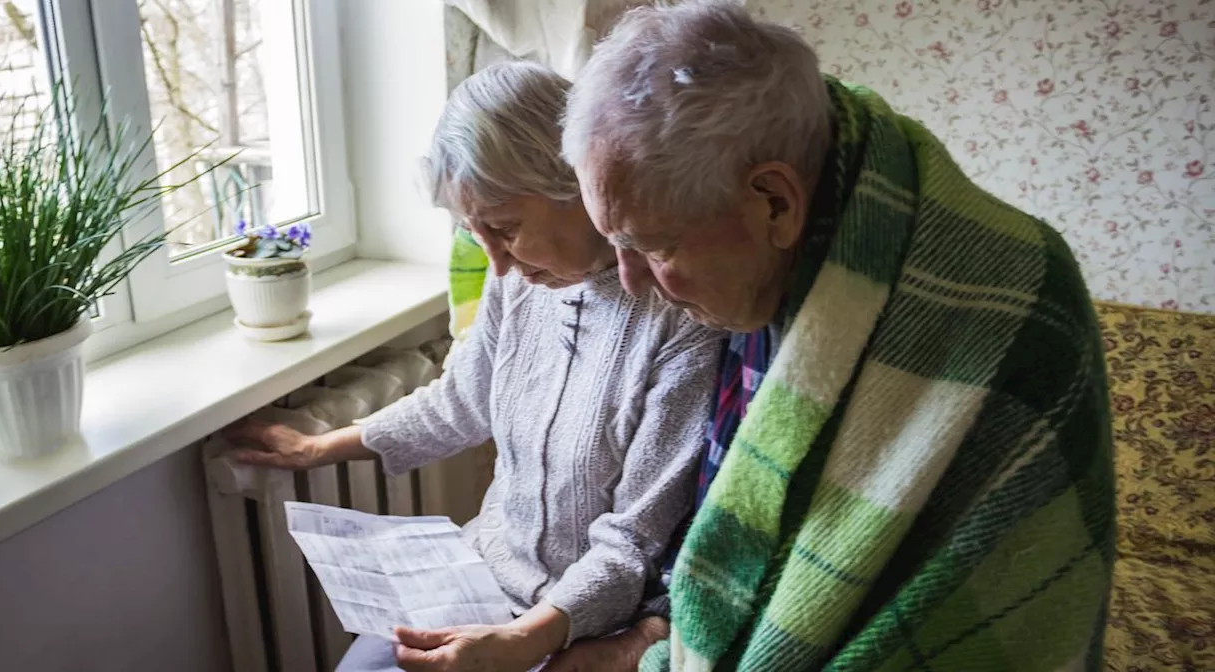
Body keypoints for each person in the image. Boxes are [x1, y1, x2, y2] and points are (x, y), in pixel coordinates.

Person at [557, 3, 1116, 671]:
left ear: (776, 203)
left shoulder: (1019, 302)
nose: (633, 280)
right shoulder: (771, 267)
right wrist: (646, 641)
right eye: (614, 245)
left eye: (654, 246)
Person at [226, 61, 722, 672]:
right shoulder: (518, 283)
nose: (498, 263)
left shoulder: (681, 316)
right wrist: (315, 449)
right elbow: (459, 402)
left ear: (579, 186)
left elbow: (634, 542)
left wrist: (525, 641)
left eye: (506, 229)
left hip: (584, 621)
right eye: (474, 232)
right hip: (478, 577)